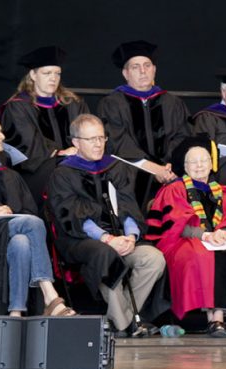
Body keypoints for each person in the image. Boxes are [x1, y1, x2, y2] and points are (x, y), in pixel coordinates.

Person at [47, 114, 167, 337]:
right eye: (91, 139)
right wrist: (107, 239)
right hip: (81, 240)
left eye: (101, 138)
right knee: (105, 255)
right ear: (75, 142)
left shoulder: (115, 167)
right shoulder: (63, 174)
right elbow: (71, 214)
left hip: (121, 238)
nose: (98, 144)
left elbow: (128, 204)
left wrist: (130, 236)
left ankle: (125, 320)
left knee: (153, 258)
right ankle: (124, 324)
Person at [145, 135, 226, 337]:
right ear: (185, 167)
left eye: (203, 160)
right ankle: (210, 320)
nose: (199, 165)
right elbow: (173, 223)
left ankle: (218, 319)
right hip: (183, 241)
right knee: (201, 254)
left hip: (219, 241)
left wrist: (225, 232)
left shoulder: (225, 193)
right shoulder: (174, 190)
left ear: (212, 164)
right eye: (193, 162)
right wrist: (204, 235)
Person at [0, 105, 76, 317]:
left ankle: (16, 313)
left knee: (21, 242)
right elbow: (28, 220)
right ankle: (49, 294)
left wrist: (9, 213)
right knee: (32, 223)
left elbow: (27, 213)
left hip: (6, 240)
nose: (2, 136)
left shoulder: (10, 176)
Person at [97, 40, 186, 206]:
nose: (143, 71)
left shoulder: (172, 102)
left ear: (154, 70)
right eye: (135, 67)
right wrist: (152, 168)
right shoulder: (112, 103)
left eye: (147, 65)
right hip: (132, 169)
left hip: (170, 170)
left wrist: (170, 167)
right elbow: (118, 142)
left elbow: (182, 136)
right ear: (125, 73)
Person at [0, 46, 90, 205]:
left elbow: (88, 132)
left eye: (57, 73)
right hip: (38, 171)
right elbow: (28, 144)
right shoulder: (18, 106)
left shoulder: (73, 103)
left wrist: (81, 150)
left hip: (77, 163)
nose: (53, 78)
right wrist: (60, 152)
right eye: (47, 73)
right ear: (33, 75)